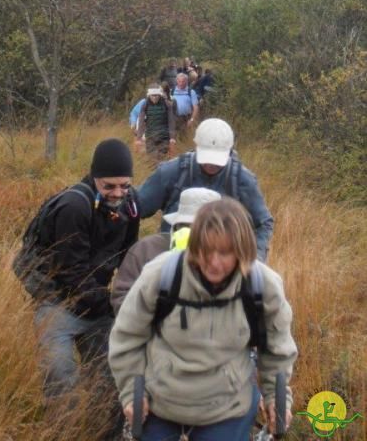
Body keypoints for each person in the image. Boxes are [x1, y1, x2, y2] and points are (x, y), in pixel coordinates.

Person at [108, 197, 297, 441]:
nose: (214, 263)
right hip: (160, 405)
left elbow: (277, 349)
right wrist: (131, 392)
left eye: (225, 252)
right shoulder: (161, 276)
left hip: (227, 410)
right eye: (206, 250)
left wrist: (275, 398)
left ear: (243, 251)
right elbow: (127, 337)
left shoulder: (263, 287)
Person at [31, 139, 140, 436]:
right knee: (61, 376)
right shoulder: (73, 207)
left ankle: (109, 435)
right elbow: (72, 273)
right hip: (58, 305)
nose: (117, 193)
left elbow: (128, 257)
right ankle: (61, 433)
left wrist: (125, 302)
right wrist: (112, 304)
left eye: (124, 185)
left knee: (112, 379)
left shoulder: (132, 205)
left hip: (98, 307)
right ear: (94, 178)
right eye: (109, 186)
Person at [137, 117, 273, 261]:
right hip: (172, 258)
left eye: (217, 159)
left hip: (221, 264)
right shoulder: (172, 172)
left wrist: (256, 260)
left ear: (230, 150)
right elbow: (137, 206)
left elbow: (263, 223)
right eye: (206, 158)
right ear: (197, 147)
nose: (211, 165)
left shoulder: (242, 180)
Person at [111, 187, 221, 316]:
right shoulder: (147, 248)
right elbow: (121, 297)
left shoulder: (227, 258)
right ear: (176, 224)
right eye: (187, 226)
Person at [135, 83, 176, 159]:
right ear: (149, 95)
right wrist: (139, 138)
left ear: (160, 95)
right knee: (152, 157)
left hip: (164, 136)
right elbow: (141, 121)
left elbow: (171, 121)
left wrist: (172, 137)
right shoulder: (145, 104)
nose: (154, 97)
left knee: (161, 157)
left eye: (156, 95)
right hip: (150, 136)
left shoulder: (167, 104)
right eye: (152, 95)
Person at [172, 72, 199, 137]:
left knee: (185, 136)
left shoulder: (191, 92)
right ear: (176, 81)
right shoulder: (171, 91)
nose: (181, 83)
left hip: (186, 118)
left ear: (186, 81)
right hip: (174, 118)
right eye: (179, 81)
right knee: (174, 137)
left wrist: (192, 120)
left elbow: (196, 107)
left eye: (183, 81)